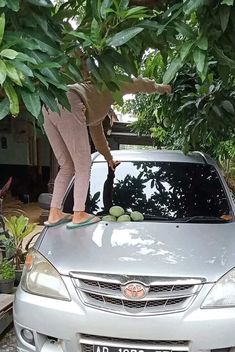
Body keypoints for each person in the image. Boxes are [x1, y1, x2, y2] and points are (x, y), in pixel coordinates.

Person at [43, 77, 171, 228]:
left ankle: (55, 213)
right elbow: (137, 83)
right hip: (69, 100)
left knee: (67, 166)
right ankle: (79, 213)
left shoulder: (97, 108)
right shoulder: (109, 85)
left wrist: (109, 158)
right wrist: (161, 88)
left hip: (48, 104)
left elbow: (98, 138)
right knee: (83, 165)